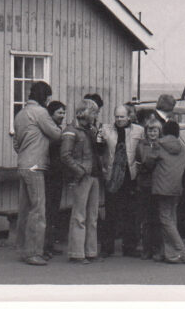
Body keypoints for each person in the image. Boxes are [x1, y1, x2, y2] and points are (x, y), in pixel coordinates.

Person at [11, 80, 62, 266]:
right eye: (48, 98)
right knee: (38, 210)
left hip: (23, 164)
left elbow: (16, 143)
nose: (49, 101)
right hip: (36, 166)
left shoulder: (21, 114)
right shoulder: (40, 112)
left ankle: (23, 248)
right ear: (44, 97)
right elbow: (56, 134)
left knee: (25, 209)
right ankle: (33, 253)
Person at [60, 99, 106, 264]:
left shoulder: (91, 130)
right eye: (93, 113)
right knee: (79, 215)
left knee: (92, 216)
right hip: (83, 175)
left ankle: (90, 251)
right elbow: (65, 155)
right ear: (84, 113)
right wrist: (79, 170)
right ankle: (77, 252)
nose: (95, 116)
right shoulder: (71, 131)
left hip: (93, 175)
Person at [142, 119, 185, 264]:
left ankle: (181, 251)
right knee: (171, 219)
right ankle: (170, 253)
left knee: (165, 220)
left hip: (162, 187)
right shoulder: (183, 148)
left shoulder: (159, 145)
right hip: (176, 187)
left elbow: (148, 162)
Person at [101, 103, 144, 257]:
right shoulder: (106, 130)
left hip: (130, 176)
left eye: (122, 117)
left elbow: (143, 150)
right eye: (117, 117)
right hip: (113, 176)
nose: (119, 120)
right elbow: (100, 148)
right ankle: (107, 247)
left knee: (130, 213)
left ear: (129, 117)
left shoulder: (139, 130)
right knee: (111, 212)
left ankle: (130, 247)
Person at [135, 116, 164, 259]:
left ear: (159, 132)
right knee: (146, 219)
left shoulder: (162, 144)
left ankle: (157, 247)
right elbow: (141, 163)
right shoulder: (141, 145)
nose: (152, 133)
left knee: (157, 218)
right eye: (150, 131)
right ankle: (147, 248)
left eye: (155, 131)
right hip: (145, 184)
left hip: (159, 185)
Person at [43, 100, 68, 257]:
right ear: (51, 114)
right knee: (48, 210)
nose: (62, 116)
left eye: (63, 113)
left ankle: (50, 244)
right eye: (59, 113)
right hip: (49, 173)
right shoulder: (51, 131)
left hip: (57, 174)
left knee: (54, 210)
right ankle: (45, 245)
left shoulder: (58, 130)